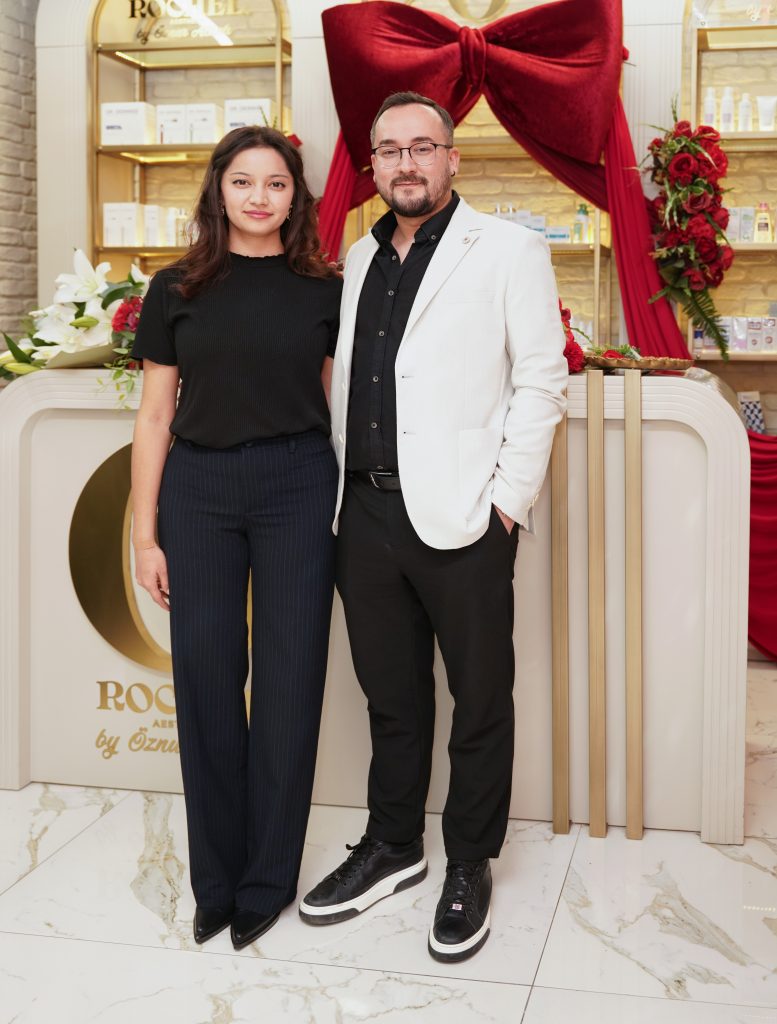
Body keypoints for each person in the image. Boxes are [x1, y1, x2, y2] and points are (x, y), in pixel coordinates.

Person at [299, 92, 568, 963]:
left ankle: (468, 863)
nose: (406, 163)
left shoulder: (508, 250)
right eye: (390, 150)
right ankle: (392, 845)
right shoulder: (357, 255)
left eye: (422, 147)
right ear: (372, 166)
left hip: (464, 515)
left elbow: (541, 379)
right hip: (363, 512)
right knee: (391, 696)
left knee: (480, 699)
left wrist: (506, 503)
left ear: (452, 158)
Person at [130, 126, 341, 951]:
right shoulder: (175, 287)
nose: (259, 196)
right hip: (200, 490)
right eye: (243, 181)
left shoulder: (325, 289)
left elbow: (334, 402)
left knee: (290, 681)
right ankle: (214, 881)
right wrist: (144, 535)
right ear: (218, 190)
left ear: (295, 197)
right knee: (207, 678)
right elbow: (154, 416)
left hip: (298, 484)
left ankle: (266, 880)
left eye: (276, 183)